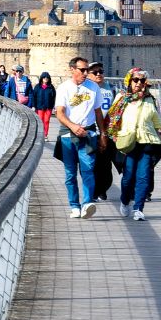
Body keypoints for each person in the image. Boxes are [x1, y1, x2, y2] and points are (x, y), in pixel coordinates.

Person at [112, 70, 161, 220]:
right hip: (128, 143)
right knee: (128, 177)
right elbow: (113, 120)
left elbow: (158, 120)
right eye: (135, 80)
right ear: (129, 81)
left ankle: (138, 208)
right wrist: (114, 136)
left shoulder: (150, 99)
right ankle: (125, 201)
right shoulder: (121, 98)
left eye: (142, 81)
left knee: (143, 176)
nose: (138, 83)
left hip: (147, 142)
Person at [53, 57, 103, 218]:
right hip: (68, 135)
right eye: (82, 70)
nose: (86, 73)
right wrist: (73, 126)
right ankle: (74, 205)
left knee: (88, 169)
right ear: (72, 70)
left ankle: (87, 203)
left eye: (87, 69)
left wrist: (103, 134)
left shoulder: (94, 87)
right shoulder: (63, 88)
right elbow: (59, 113)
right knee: (70, 173)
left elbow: (98, 112)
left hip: (88, 134)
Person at [87, 62, 117, 203]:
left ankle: (103, 188)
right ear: (88, 74)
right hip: (90, 130)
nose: (99, 74)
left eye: (101, 71)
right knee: (91, 162)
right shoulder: (85, 89)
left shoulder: (111, 89)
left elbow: (117, 110)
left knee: (106, 164)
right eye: (95, 72)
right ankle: (94, 191)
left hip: (108, 131)